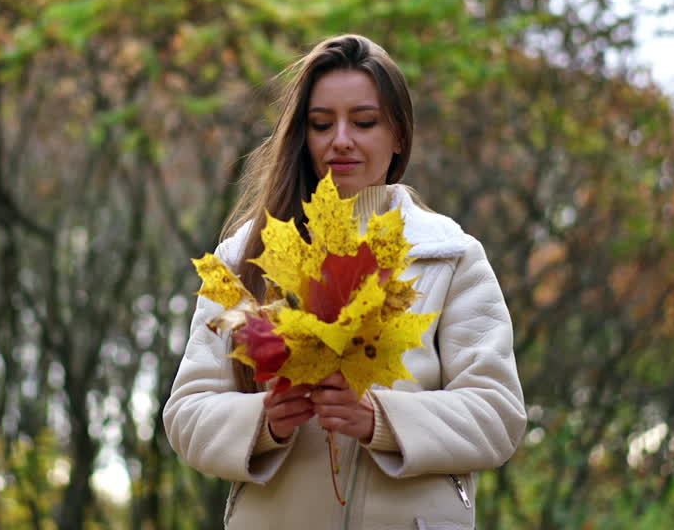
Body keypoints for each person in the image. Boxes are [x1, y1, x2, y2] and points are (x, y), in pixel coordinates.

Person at [163, 34, 525, 529]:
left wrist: (382, 419)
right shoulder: (246, 257)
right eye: (321, 124)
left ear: (398, 135)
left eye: (364, 121)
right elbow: (187, 413)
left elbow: (498, 415)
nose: (341, 140)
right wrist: (263, 423)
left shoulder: (450, 256)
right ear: (303, 134)